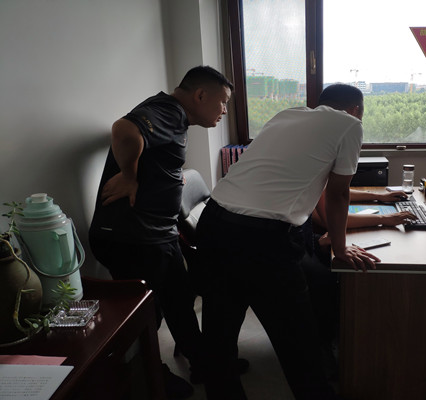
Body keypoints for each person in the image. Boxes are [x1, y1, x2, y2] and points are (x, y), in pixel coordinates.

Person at [192, 84, 379, 400]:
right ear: (356, 110)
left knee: (219, 335)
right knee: (299, 343)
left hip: (214, 222)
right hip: (263, 240)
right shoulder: (350, 125)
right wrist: (340, 247)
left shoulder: (287, 115)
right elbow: (338, 193)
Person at [88, 66, 233, 399]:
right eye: (223, 102)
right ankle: (150, 376)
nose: (224, 111)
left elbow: (152, 150)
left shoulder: (174, 117)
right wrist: (128, 175)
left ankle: (202, 362)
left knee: (179, 299)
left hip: (156, 233)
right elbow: (124, 129)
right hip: (131, 238)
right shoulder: (168, 111)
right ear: (200, 95)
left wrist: (167, 174)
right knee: (146, 314)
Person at [301, 188, 416, 379]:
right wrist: (384, 219)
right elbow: (331, 213)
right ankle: (323, 345)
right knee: (324, 279)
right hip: (285, 238)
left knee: (332, 261)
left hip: (301, 234)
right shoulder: (310, 173)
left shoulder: (316, 176)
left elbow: (334, 191)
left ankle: (338, 334)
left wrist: (378, 196)